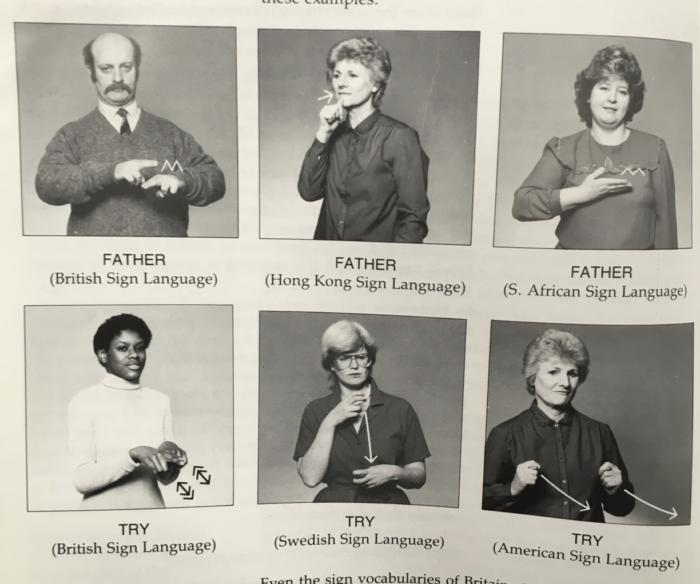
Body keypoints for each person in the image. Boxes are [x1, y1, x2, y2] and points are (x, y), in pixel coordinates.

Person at [35, 32, 225, 236]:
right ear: (92, 72)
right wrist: (110, 172)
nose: (118, 78)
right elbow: (47, 184)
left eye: (126, 67)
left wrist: (182, 180)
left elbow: (214, 179)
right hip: (95, 263)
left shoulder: (171, 134)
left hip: (165, 262)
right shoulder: (71, 135)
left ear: (138, 69)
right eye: (106, 68)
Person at [512, 45, 677, 249]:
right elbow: (521, 204)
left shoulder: (654, 148)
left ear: (630, 101)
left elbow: (667, 231)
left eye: (622, 91)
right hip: (572, 274)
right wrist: (580, 194)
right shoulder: (564, 149)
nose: (612, 98)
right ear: (589, 95)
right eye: (604, 87)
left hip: (634, 275)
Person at [482, 329, 635, 522]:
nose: (565, 383)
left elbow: (623, 509)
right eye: (554, 372)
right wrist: (512, 489)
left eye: (572, 373)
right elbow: (480, 504)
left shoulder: (600, 433)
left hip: (581, 548)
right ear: (533, 376)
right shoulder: (504, 434)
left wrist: (616, 489)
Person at [298, 38, 430, 243]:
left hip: (374, 266)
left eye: (352, 75)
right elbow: (308, 192)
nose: (341, 83)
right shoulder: (332, 134)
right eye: (337, 75)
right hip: (327, 262)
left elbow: (413, 218)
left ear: (376, 84)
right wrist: (323, 134)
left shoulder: (399, 137)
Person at [294, 320, 430, 503]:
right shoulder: (315, 411)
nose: (354, 365)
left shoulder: (400, 409)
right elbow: (310, 479)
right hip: (334, 508)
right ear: (331, 364)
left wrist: (395, 473)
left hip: (389, 506)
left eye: (360, 357)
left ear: (370, 360)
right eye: (344, 358)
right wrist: (330, 422)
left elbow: (419, 476)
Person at [68, 314, 187, 510]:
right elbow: (81, 480)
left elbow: (166, 479)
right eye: (123, 348)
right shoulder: (85, 401)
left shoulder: (159, 401)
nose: (134, 354)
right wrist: (132, 456)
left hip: (152, 514)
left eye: (140, 348)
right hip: (101, 519)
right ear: (103, 355)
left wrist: (172, 462)